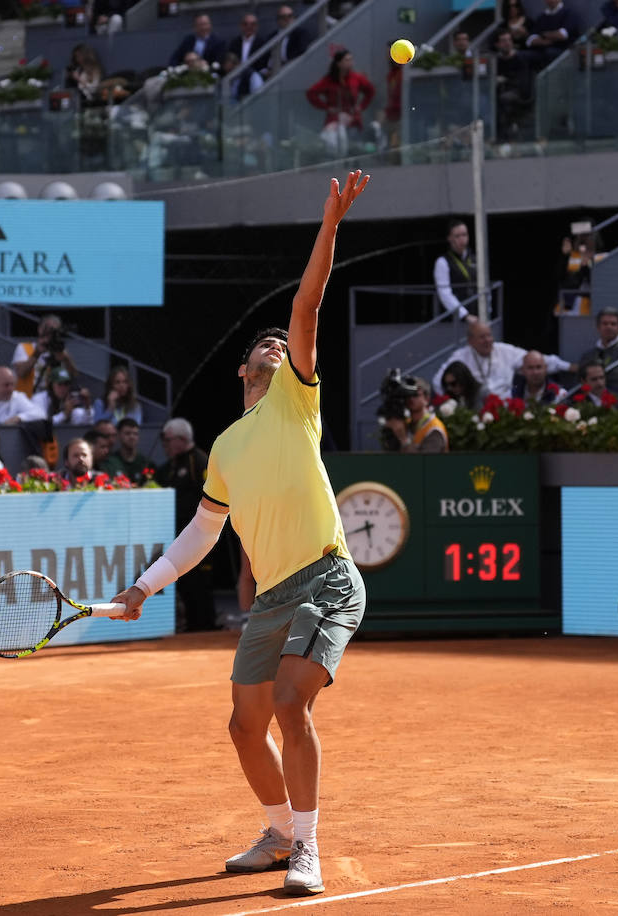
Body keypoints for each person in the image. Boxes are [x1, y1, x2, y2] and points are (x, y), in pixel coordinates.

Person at [108, 172, 370, 898]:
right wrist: (144, 586)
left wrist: (330, 225)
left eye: (287, 346)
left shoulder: (296, 402)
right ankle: (278, 829)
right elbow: (200, 533)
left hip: (326, 578)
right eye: (268, 345)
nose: (280, 346)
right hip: (275, 594)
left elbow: (307, 305)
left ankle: (307, 849)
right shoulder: (224, 445)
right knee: (243, 725)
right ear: (244, 368)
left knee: (291, 703)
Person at [152, 417, 217, 632]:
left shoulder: (199, 462)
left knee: (201, 584)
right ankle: (192, 627)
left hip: (201, 534)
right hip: (180, 536)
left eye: (168, 440)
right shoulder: (170, 466)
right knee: (186, 583)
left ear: (181, 439)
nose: (165, 445)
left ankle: (205, 627)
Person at [432, 319, 570, 398]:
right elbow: (439, 381)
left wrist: (569, 367)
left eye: (489, 336)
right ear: (470, 340)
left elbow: (535, 360)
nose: (487, 340)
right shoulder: (460, 356)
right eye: (482, 337)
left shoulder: (504, 350)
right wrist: (450, 400)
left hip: (505, 409)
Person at [306, 49, 376, 158]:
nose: (350, 63)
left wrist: (361, 107)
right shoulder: (329, 80)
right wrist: (327, 107)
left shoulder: (356, 78)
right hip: (335, 119)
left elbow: (370, 90)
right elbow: (311, 93)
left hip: (352, 120)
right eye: (347, 60)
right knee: (333, 141)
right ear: (339, 63)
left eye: (351, 60)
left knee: (351, 145)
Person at [12, 314, 78, 396]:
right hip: (25, 400)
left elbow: (73, 377)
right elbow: (21, 373)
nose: (51, 334)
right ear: (40, 329)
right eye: (49, 329)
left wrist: (66, 359)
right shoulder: (23, 347)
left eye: (55, 331)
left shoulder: (59, 352)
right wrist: (37, 353)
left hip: (46, 402)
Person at [382, 375, 447, 452]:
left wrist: (404, 439)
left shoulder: (434, 428)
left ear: (427, 399)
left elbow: (424, 462)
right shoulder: (405, 424)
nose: (411, 398)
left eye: (415, 394)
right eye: (408, 395)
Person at [576, 307, 618, 392]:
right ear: (598, 327)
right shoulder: (587, 356)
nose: (609, 327)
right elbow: (580, 384)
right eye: (605, 323)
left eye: (613, 324)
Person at [433, 218, 479, 321]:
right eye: (457, 236)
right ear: (449, 238)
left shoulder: (475, 258)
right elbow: (444, 293)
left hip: (476, 317)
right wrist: (464, 315)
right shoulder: (442, 262)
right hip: (454, 321)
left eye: (464, 235)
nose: (462, 239)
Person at [268, 5, 311, 75]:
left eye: (289, 16)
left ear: (294, 18)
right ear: (278, 20)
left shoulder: (301, 34)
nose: (287, 19)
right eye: (283, 17)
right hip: (273, 70)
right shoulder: (272, 36)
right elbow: (266, 56)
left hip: (293, 70)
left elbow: (301, 52)